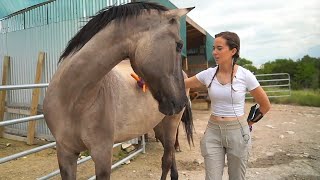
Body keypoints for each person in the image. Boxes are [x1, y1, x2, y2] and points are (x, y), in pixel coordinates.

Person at [184, 31, 271, 180]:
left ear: (233, 51)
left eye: (219, 48)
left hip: (237, 131)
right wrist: (149, 80)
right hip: (213, 131)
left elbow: (265, 105)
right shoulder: (208, 74)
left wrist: (247, 124)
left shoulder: (245, 75)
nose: (214, 53)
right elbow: (180, 84)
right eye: (213, 48)